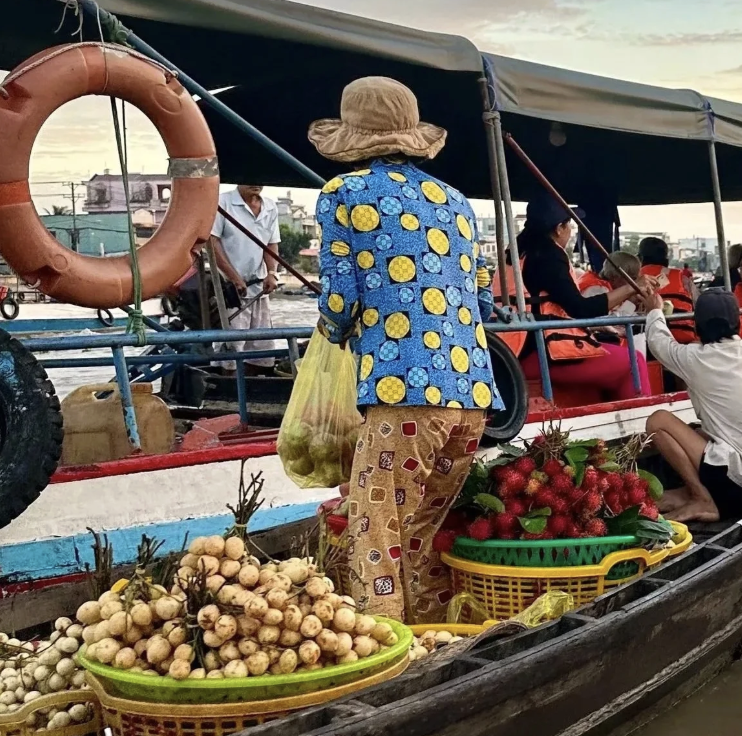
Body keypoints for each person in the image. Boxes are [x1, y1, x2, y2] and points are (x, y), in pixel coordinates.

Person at [310, 77, 501, 622]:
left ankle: (385, 659)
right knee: (417, 535)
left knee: (374, 538)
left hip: (404, 392)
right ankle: (432, 637)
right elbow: (480, 291)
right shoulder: (456, 200)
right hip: (470, 394)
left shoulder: (343, 194)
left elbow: (341, 299)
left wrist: (330, 333)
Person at [641, 289, 742, 522]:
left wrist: (654, 310)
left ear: (698, 327)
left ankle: (701, 498)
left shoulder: (695, 358)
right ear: (737, 323)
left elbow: (658, 341)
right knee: (699, 433)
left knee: (658, 421)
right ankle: (692, 493)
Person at [517, 196, 647, 403]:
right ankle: (643, 430)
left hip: (515, 350)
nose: (570, 232)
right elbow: (581, 309)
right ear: (559, 228)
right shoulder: (549, 256)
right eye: (569, 225)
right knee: (635, 361)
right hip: (541, 354)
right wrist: (632, 289)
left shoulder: (516, 251)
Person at [210, 183, 281, 370]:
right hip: (230, 290)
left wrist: (272, 273)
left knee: (263, 348)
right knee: (230, 349)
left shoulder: (270, 206)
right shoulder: (222, 202)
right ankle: (229, 392)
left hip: (259, 288)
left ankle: (254, 389)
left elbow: (271, 244)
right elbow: (212, 242)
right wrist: (234, 277)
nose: (255, 183)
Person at [637, 236, 697, 342]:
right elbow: (698, 303)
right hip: (684, 339)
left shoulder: (634, 279)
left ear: (640, 258)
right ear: (666, 260)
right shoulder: (682, 277)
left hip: (647, 341)